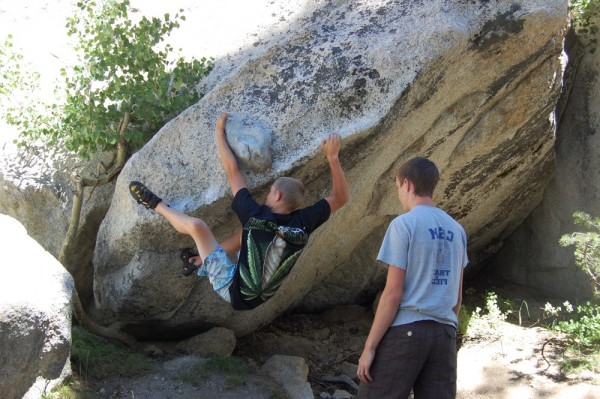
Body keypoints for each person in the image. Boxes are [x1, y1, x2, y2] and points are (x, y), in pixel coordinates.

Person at [129, 112, 349, 310]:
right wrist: (332, 157)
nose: (267, 194)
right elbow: (341, 198)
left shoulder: (255, 215)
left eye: (271, 191)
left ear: (278, 196)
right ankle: (197, 261)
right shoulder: (304, 222)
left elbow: (232, 170)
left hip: (231, 287)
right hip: (258, 296)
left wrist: (219, 131)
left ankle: (154, 203)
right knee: (252, 235)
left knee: (198, 227)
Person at [356, 157, 468, 399]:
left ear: (406, 184)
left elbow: (393, 294)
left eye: (397, 187)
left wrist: (370, 347)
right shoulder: (457, 230)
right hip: (445, 335)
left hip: (407, 332)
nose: (398, 193)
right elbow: (457, 298)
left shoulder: (403, 225)